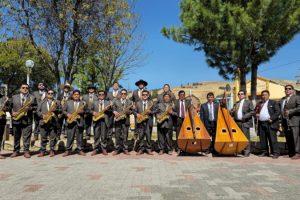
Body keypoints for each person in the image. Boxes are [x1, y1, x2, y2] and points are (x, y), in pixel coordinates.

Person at [10, 83, 37, 158]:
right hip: (16, 119)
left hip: (27, 120)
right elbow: (9, 107)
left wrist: (30, 108)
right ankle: (16, 151)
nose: (25, 89)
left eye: (26, 88)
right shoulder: (14, 97)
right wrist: (12, 112)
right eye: (23, 87)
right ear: (20, 89)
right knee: (16, 136)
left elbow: (36, 107)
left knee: (27, 137)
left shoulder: (32, 97)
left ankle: (26, 151)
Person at [36, 89, 61, 157]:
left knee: (53, 138)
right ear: (47, 94)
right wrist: (42, 115)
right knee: (43, 137)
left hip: (53, 122)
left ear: (53, 94)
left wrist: (56, 110)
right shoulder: (41, 102)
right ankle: (43, 151)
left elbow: (61, 110)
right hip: (43, 122)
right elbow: (38, 111)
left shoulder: (57, 102)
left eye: (52, 93)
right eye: (49, 93)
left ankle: (52, 150)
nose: (50, 94)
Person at [256, 90, 280, 159]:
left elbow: (278, 112)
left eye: (265, 95)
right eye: (263, 95)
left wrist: (272, 118)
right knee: (263, 139)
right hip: (261, 123)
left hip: (270, 123)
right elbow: (255, 111)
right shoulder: (259, 103)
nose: (264, 96)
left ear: (268, 95)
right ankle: (264, 152)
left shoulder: (273, 102)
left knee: (272, 139)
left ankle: (275, 152)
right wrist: (256, 114)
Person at [62, 90, 86, 157]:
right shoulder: (68, 102)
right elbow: (63, 110)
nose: (76, 95)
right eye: (75, 94)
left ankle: (80, 150)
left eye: (77, 94)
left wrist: (82, 111)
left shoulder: (83, 103)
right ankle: (68, 150)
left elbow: (86, 111)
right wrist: (67, 114)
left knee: (80, 137)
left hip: (79, 122)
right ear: (72, 95)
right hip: (70, 122)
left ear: (79, 95)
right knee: (70, 137)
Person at [231, 90, 255, 157]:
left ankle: (246, 151)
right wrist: (231, 112)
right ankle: (240, 150)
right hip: (237, 123)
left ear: (244, 95)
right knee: (239, 138)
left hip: (245, 122)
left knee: (246, 138)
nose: (240, 95)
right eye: (239, 94)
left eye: (241, 94)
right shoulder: (236, 103)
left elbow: (252, 111)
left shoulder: (248, 102)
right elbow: (233, 113)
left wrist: (244, 117)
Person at [280, 85, 300, 159]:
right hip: (285, 121)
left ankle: (297, 153)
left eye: (289, 89)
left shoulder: (296, 97)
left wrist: (290, 111)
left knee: (296, 138)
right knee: (288, 138)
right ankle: (291, 153)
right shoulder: (282, 99)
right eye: (286, 89)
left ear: (292, 90)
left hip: (294, 121)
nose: (287, 90)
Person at [112, 89, 133, 155]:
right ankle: (117, 149)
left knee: (125, 135)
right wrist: (114, 112)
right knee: (117, 135)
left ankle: (125, 149)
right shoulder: (116, 101)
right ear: (120, 94)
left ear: (126, 94)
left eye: (125, 93)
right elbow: (113, 109)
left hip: (126, 120)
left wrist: (127, 112)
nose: (123, 95)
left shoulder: (129, 102)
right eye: (122, 93)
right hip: (118, 120)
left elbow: (131, 111)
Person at [90, 90, 111, 156]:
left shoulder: (108, 102)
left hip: (104, 120)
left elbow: (111, 111)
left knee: (104, 135)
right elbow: (89, 110)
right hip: (96, 120)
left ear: (104, 95)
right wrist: (93, 112)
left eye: (102, 94)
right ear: (98, 96)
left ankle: (103, 148)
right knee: (96, 135)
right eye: (100, 94)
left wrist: (108, 110)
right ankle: (96, 149)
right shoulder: (94, 102)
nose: (101, 95)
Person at [133, 90, 154, 155]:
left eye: (146, 95)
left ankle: (148, 149)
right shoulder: (138, 103)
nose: (145, 96)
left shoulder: (151, 103)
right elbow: (134, 111)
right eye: (143, 95)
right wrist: (137, 114)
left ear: (148, 96)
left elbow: (156, 110)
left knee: (148, 136)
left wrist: (151, 112)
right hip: (140, 122)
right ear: (141, 96)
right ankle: (141, 149)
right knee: (141, 136)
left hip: (148, 121)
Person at [106, 82, 121, 147]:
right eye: (114, 85)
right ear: (112, 86)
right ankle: (109, 140)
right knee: (110, 125)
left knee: (118, 126)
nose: (115, 86)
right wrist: (109, 103)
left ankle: (118, 140)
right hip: (110, 112)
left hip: (119, 112)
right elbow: (106, 101)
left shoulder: (121, 93)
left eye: (117, 85)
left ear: (118, 86)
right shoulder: (109, 93)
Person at [0, 90, 9, 159]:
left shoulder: (4, 98)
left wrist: (5, 108)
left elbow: (9, 108)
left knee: (0, 137)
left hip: (1, 120)